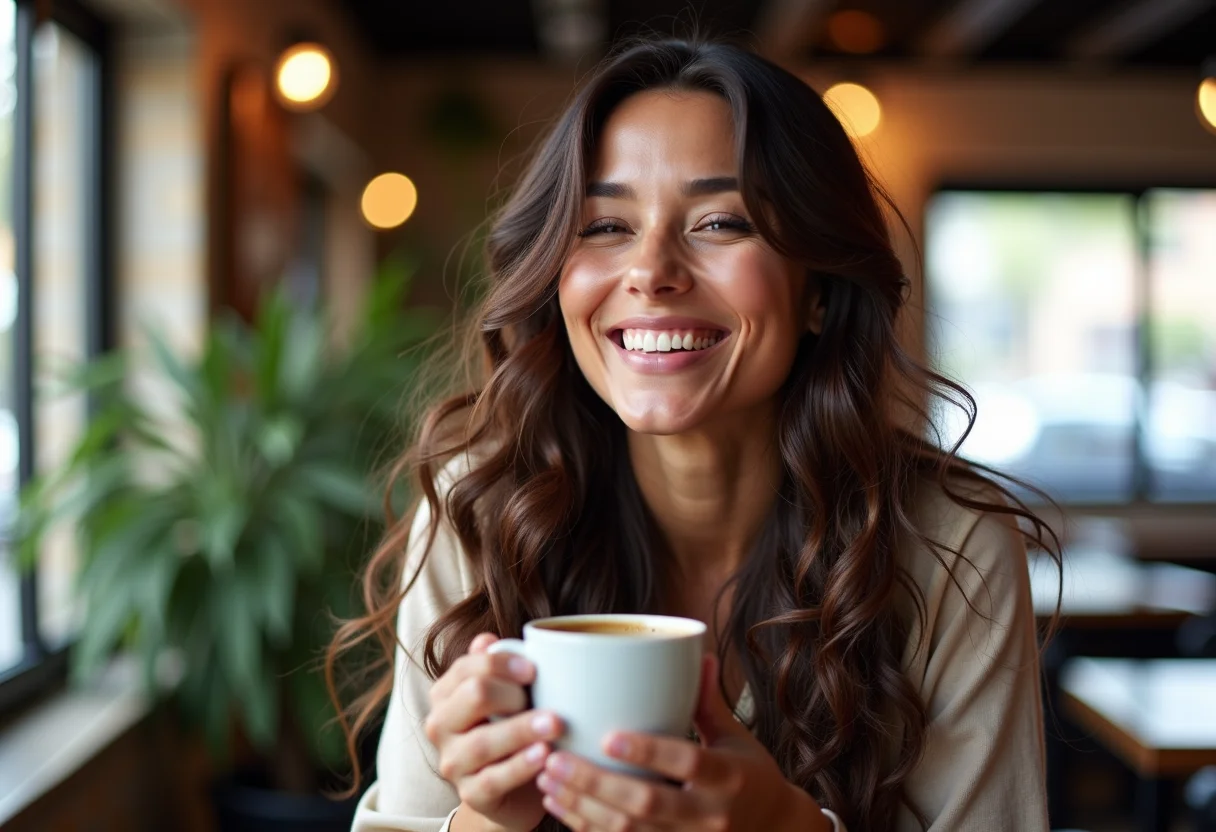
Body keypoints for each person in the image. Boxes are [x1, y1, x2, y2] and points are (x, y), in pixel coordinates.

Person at [328, 37, 1059, 832]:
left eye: (720, 221)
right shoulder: (480, 511)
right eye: (605, 224)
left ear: (819, 291)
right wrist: (490, 818)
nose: (651, 270)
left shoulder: (952, 546)